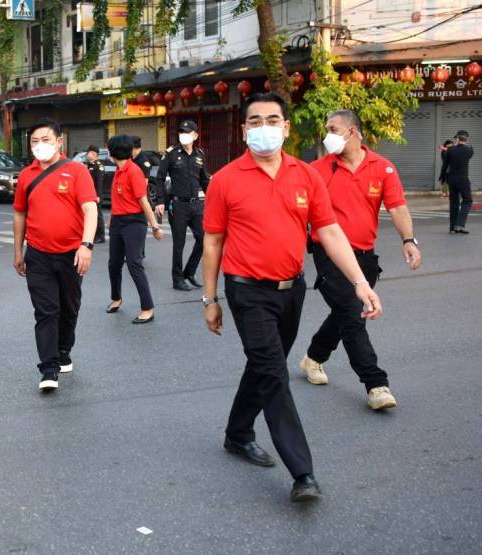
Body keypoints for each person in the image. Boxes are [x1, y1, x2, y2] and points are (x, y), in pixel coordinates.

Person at [201, 92, 382, 504]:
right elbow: (212, 242)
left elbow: (329, 231)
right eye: (254, 121)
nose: (263, 128)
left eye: (272, 120)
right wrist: (210, 300)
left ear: (285, 128)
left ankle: (237, 433)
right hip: (246, 291)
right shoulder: (225, 179)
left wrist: (359, 281)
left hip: (291, 290)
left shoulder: (306, 176)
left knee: (264, 365)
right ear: (243, 129)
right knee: (273, 373)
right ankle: (303, 472)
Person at [299, 109, 421, 410]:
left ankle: (313, 357)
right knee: (352, 315)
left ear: (352, 131)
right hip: (329, 256)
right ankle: (376, 384)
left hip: (365, 257)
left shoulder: (383, 168)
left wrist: (408, 240)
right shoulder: (317, 170)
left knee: (344, 314)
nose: (326, 135)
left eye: (333, 129)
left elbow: (397, 207)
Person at [13, 118, 99, 392]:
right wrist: (18, 250)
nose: (39, 145)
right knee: (46, 311)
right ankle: (48, 368)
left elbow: (90, 209)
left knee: (69, 307)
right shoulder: (26, 175)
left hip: (72, 254)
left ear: (59, 142)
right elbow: (20, 214)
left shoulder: (77, 171)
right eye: (34, 141)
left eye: (45, 140)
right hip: (38, 254)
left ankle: (64, 349)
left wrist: (86, 245)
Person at [105, 134, 163, 324]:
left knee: (134, 263)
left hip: (134, 222)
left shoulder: (133, 171)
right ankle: (116, 298)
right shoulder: (118, 170)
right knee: (114, 263)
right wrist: (112, 218)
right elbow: (118, 198)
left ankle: (147, 308)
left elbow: (143, 200)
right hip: (118, 222)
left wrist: (155, 226)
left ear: (113, 151)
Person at [154, 120, 210, 291]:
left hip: (196, 205)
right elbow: (160, 178)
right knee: (179, 244)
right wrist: (160, 201)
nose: (183, 135)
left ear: (195, 135)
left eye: (187, 132)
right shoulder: (171, 153)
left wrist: (213, 200)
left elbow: (204, 180)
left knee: (203, 239)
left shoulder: (200, 155)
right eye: (181, 132)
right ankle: (177, 280)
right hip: (178, 205)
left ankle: (189, 272)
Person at [440, 130, 473, 234]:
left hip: (452, 180)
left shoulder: (450, 150)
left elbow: (445, 165)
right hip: (463, 180)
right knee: (467, 201)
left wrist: (443, 178)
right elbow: (467, 153)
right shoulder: (469, 150)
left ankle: (452, 228)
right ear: (466, 139)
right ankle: (460, 224)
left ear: (457, 138)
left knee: (454, 203)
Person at [83, 145, 106, 244]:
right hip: (89, 194)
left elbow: (99, 182)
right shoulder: (88, 165)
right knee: (91, 215)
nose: (87, 154)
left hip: (96, 195)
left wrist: (98, 195)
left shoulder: (98, 166)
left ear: (93, 154)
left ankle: (101, 236)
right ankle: (93, 235)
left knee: (97, 215)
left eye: (88, 153)